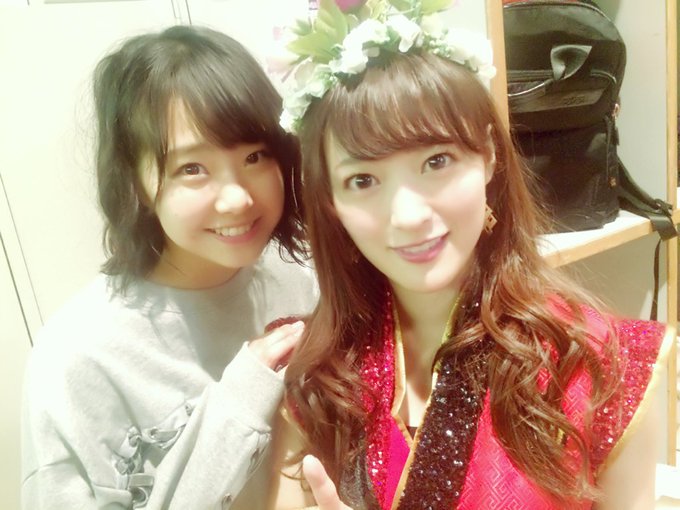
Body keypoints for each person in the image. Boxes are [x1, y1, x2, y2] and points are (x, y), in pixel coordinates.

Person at [268, 1, 673, 509]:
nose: (409, 215)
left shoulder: (602, 367)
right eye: (363, 180)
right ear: (331, 201)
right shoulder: (316, 375)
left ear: (488, 155)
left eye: (437, 160)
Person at [21, 25, 318, 509]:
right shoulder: (79, 358)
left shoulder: (300, 281)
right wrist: (240, 402)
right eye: (191, 169)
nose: (237, 198)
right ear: (134, 181)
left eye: (255, 156)